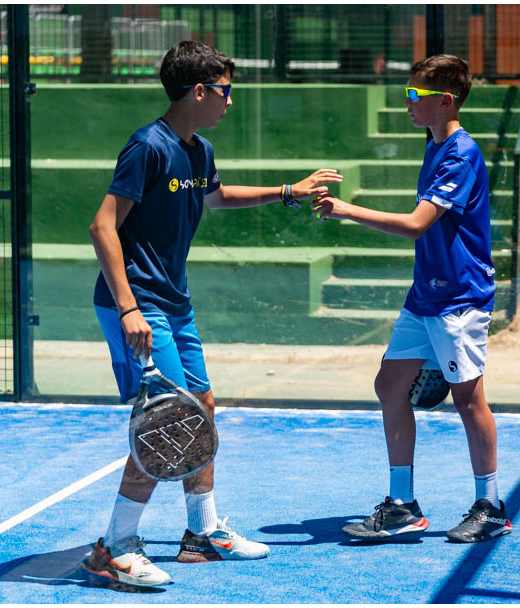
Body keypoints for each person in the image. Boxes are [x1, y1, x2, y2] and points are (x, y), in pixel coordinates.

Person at [83, 40, 342, 587]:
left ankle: (202, 533)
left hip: (174, 302)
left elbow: (217, 197)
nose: (230, 101)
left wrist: (289, 191)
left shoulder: (198, 150)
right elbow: (102, 226)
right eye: (225, 91)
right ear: (198, 91)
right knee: (167, 419)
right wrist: (129, 309)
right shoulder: (147, 146)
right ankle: (114, 548)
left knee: (200, 406)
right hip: (136, 304)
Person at [311, 54, 512, 544]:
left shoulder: (461, 154)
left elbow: (417, 224)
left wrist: (346, 210)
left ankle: (490, 507)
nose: (407, 102)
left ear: (446, 100)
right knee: (389, 386)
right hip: (425, 296)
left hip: (459, 298)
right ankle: (402, 505)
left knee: (468, 400)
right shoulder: (435, 146)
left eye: (415, 95)